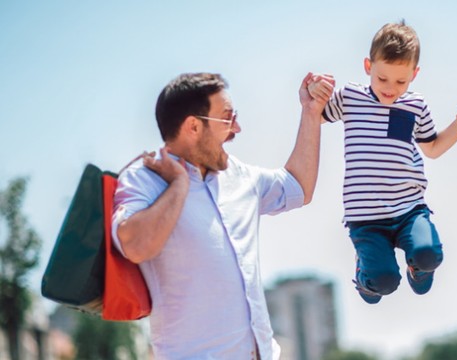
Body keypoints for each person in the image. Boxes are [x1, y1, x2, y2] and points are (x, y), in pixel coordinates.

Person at [111, 72, 334, 359]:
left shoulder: (239, 176)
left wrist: (311, 112)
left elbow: (299, 187)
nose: (237, 128)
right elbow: (135, 245)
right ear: (193, 126)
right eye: (228, 117)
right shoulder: (144, 179)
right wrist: (179, 185)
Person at [307, 21, 457, 304]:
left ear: (414, 74)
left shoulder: (415, 106)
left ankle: (418, 268)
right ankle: (366, 277)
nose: (390, 89)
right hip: (366, 219)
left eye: (401, 81)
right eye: (382, 78)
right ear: (368, 66)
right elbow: (317, 115)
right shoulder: (350, 98)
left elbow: (432, 148)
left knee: (429, 255)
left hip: (409, 209)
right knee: (383, 284)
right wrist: (314, 89)